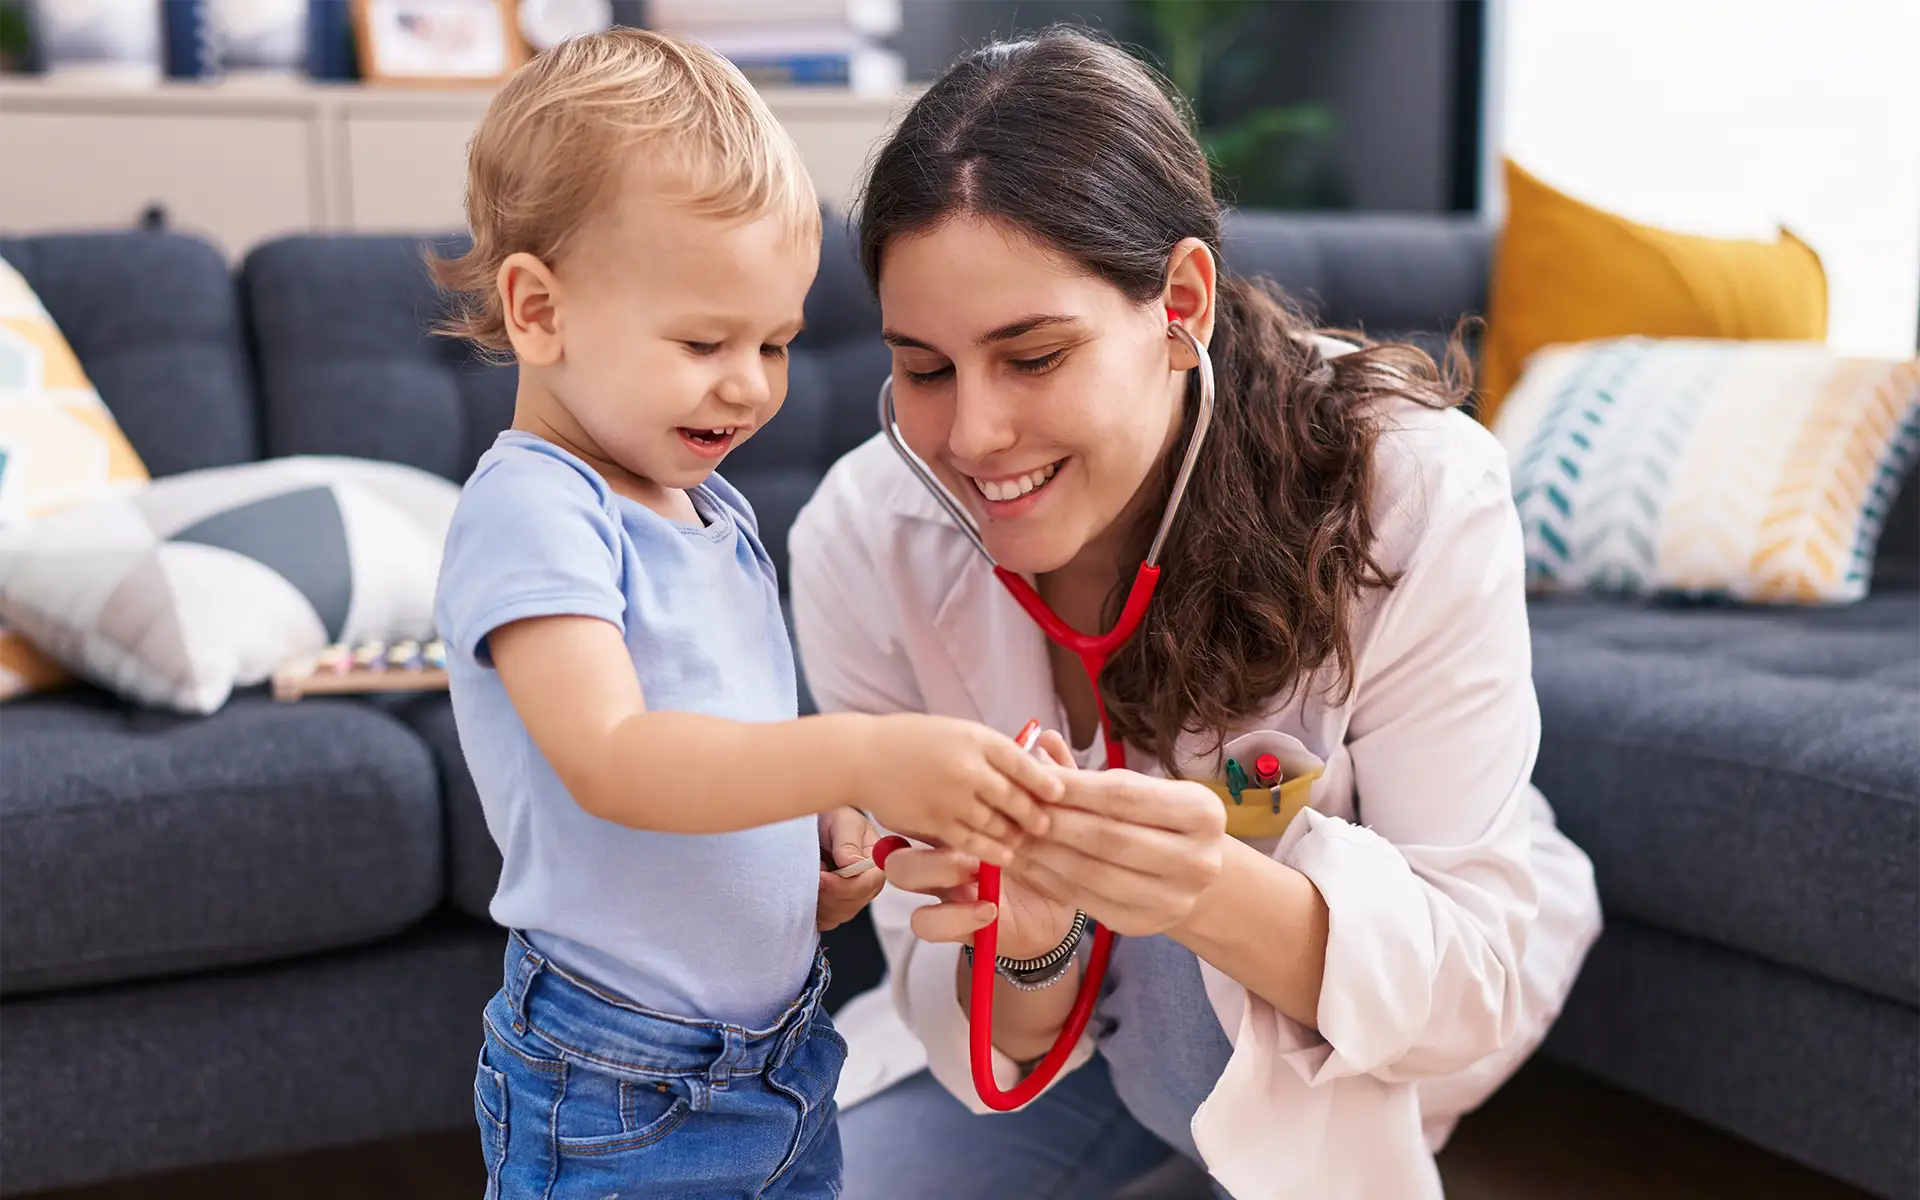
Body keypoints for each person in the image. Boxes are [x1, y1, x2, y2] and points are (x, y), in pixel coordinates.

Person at [788, 27, 1605, 1200]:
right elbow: (985, 1013)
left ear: (1180, 300)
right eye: (925, 368)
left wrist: (1201, 888)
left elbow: (1462, 973)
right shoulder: (862, 541)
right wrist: (1041, 933)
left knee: (1196, 995)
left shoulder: (1414, 489)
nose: (971, 437)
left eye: (1032, 356)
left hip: (1379, 1018)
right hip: (1061, 1047)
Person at [427, 30, 1062, 1200]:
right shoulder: (534, 508)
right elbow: (618, 759)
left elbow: (722, 722)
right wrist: (862, 749)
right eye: (703, 342)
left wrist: (807, 834)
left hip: (775, 1052)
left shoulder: (705, 508)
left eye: (775, 343)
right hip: (618, 1079)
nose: (751, 384)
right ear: (537, 311)